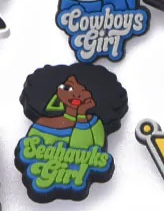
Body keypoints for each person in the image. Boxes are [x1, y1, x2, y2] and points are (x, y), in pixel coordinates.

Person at [15, 64, 128, 200]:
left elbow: (88, 147)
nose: (76, 94)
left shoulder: (94, 124)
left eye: (83, 90)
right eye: (67, 88)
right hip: (43, 174)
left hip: (77, 177)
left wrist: (81, 115)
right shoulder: (43, 123)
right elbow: (31, 151)